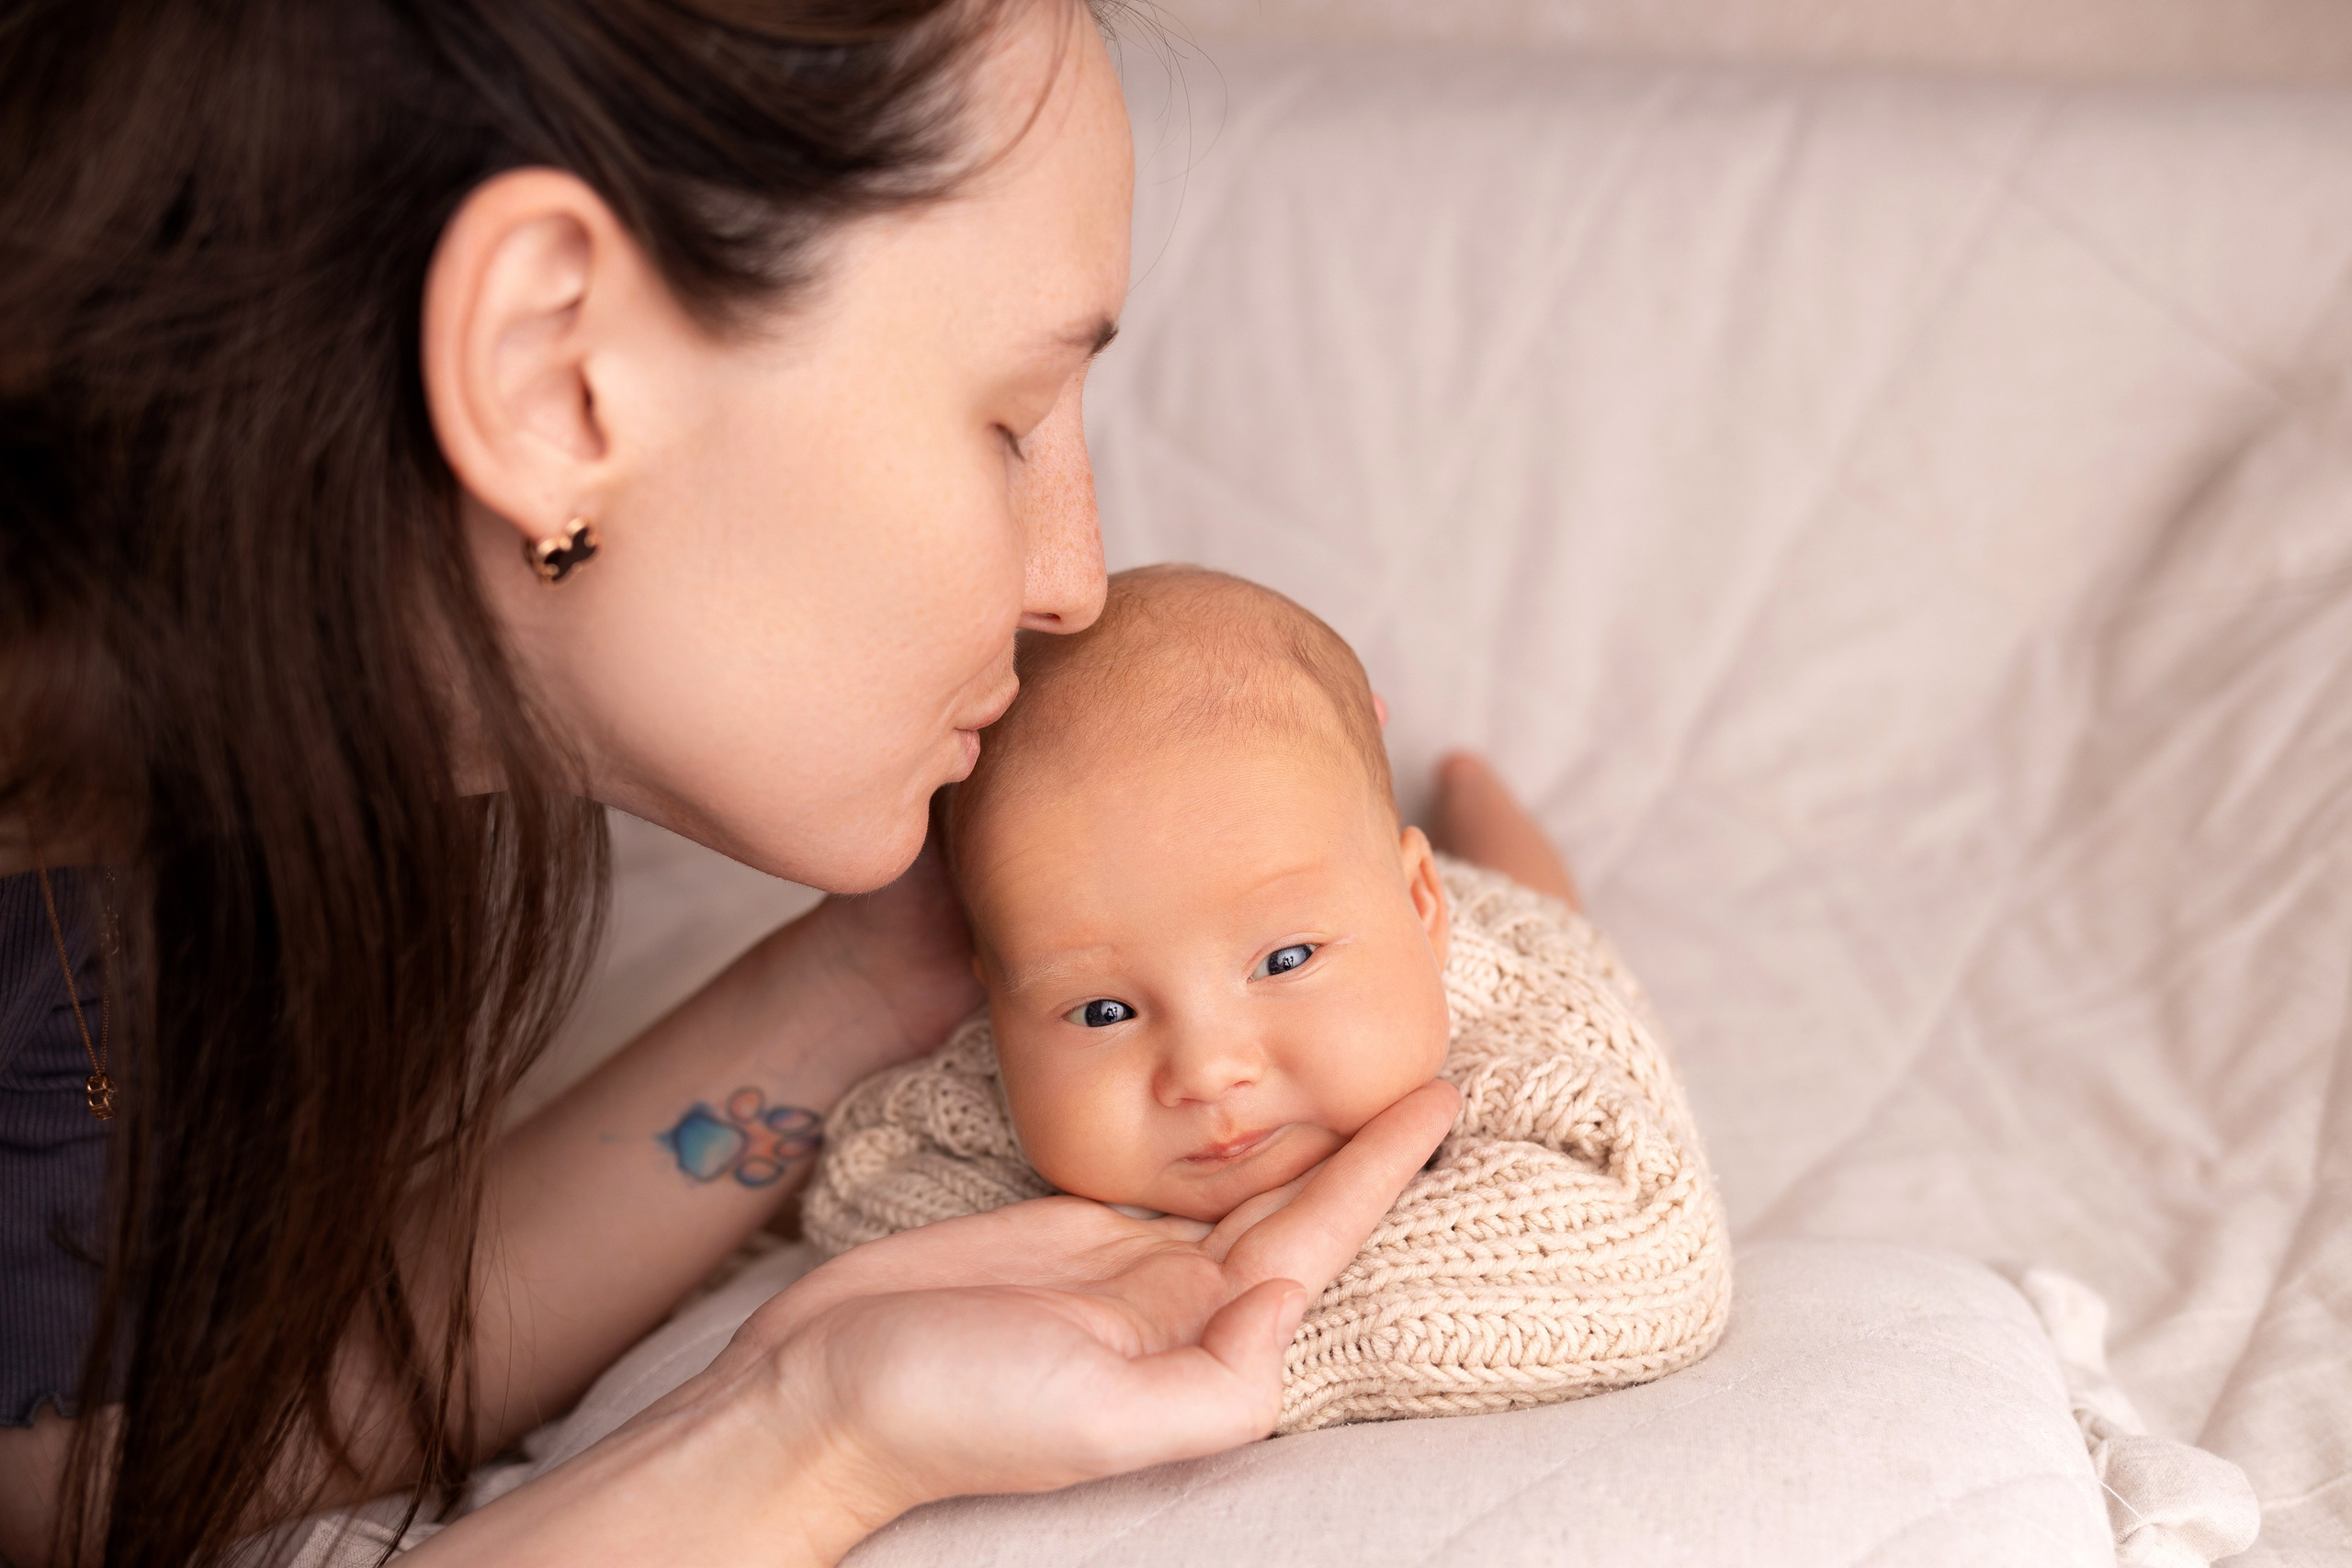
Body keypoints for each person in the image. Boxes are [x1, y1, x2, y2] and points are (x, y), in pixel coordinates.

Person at [0, 3, 1464, 1565]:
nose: (1073, 586)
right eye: (1010, 423)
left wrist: (859, 996)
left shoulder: (158, 842)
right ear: (550, 373)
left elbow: (78, 1466)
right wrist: (810, 1452)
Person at [799, 566, 1729, 1432]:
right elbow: (863, 1180)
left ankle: (1476, 805)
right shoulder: (996, 1081)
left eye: (1285, 959)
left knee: (1533, 890)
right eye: (1103, 1013)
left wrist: (1234, 1325)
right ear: (994, 997)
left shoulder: (1524, 1048)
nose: (1207, 1071)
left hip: (1512, 940)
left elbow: (1652, 1260)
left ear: (1415, 908)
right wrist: (1092, 1263)